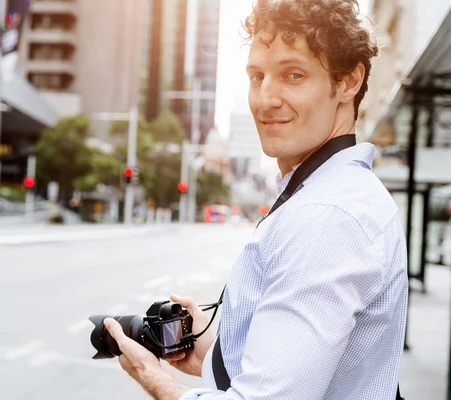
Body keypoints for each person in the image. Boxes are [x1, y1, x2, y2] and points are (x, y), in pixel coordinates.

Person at [104, 0, 408, 399]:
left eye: (293, 75)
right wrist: (216, 352)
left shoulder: (327, 216)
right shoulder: (334, 192)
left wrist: (155, 379)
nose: (266, 99)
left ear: (348, 82)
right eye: (256, 76)